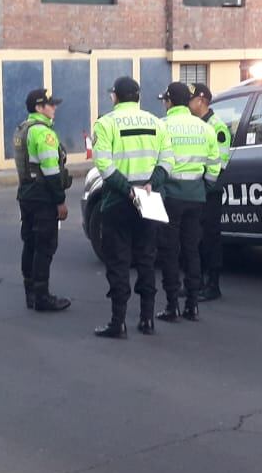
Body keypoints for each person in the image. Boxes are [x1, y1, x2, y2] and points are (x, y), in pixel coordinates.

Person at [91, 76, 174, 338]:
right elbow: (168, 161)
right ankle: (147, 320)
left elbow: (104, 165)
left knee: (118, 262)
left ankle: (118, 323)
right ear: (138, 97)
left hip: (118, 201)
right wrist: (151, 183)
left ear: (115, 96)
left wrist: (127, 189)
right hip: (148, 199)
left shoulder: (105, 124)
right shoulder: (156, 123)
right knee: (146, 259)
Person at [154, 82, 220, 323]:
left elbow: (155, 163)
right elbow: (214, 165)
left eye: (165, 100)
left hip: (170, 197)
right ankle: (192, 305)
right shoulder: (205, 128)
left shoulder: (161, 126)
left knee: (170, 252)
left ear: (170, 101)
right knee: (192, 250)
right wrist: (204, 187)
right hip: (196, 197)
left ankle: (172, 306)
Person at [13, 88, 72, 312]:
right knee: (45, 246)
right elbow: (51, 171)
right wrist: (60, 201)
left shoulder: (23, 129)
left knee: (30, 243)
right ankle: (42, 297)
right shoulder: (43, 133)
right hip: (42, 197)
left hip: (26, 195)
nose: (54, 108)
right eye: (50, 104)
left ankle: (30, 293)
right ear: (39, 107)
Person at [187, 83, 231, 301]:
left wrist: (204, 185)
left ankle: (213, 285)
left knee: (210, 237)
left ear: (201, 100)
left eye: (190, 99)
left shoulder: (217, 127)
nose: (187, 103)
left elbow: (220, 164)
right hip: (195, 190)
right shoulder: (195, 125)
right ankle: (197, 283)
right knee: (196, 238)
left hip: (210, 190)